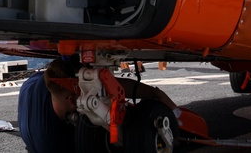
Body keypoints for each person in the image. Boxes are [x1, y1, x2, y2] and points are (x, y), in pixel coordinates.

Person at [18, 58, 178, 153]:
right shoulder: (54, 143)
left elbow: (108, 84)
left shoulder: (47, 81)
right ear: (72, 100)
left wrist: (154, 93)